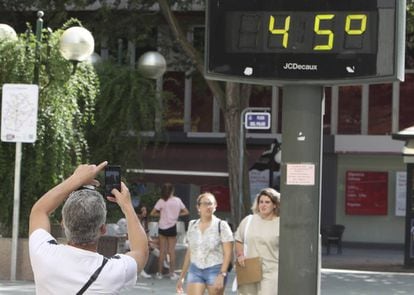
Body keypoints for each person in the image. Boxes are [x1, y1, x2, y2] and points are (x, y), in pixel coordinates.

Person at [28, 161, 148, 294]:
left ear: (63, 223)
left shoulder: (43, 254)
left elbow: (39, 211)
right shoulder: (113, 272)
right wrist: (127, 206)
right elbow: (140, 251)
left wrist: (75, 180)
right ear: (103, 229)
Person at [176, 192, 233, 295]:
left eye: (211, 203)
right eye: (205, 203)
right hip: (195, 269)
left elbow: (228, 253)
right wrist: (182, 276)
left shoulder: (222, 225)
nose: (208, 206)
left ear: (215, 206)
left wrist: (222, 274)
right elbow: (190, 251)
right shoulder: (192, 225)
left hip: (215, 269)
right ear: (198, 207)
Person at [234, 188, 280, 295]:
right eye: (261, 202)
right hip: (249, 269)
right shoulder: (249, 220)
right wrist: (240, 254)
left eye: (267, 202)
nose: (263, 205)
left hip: (271, 272)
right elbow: (238, 239)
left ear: (274, 205)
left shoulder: (280, 223)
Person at [150, 182, 189, 280]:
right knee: (171, 251)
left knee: (162, 251)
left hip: (162, 227)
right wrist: (176, 215)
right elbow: (186, 212)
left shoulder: (161, 201)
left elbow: (152, 213)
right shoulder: (177, 200)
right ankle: (172, 273)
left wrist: (161, 215)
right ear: (172, 190)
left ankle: (159, 273)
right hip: (172, 227)